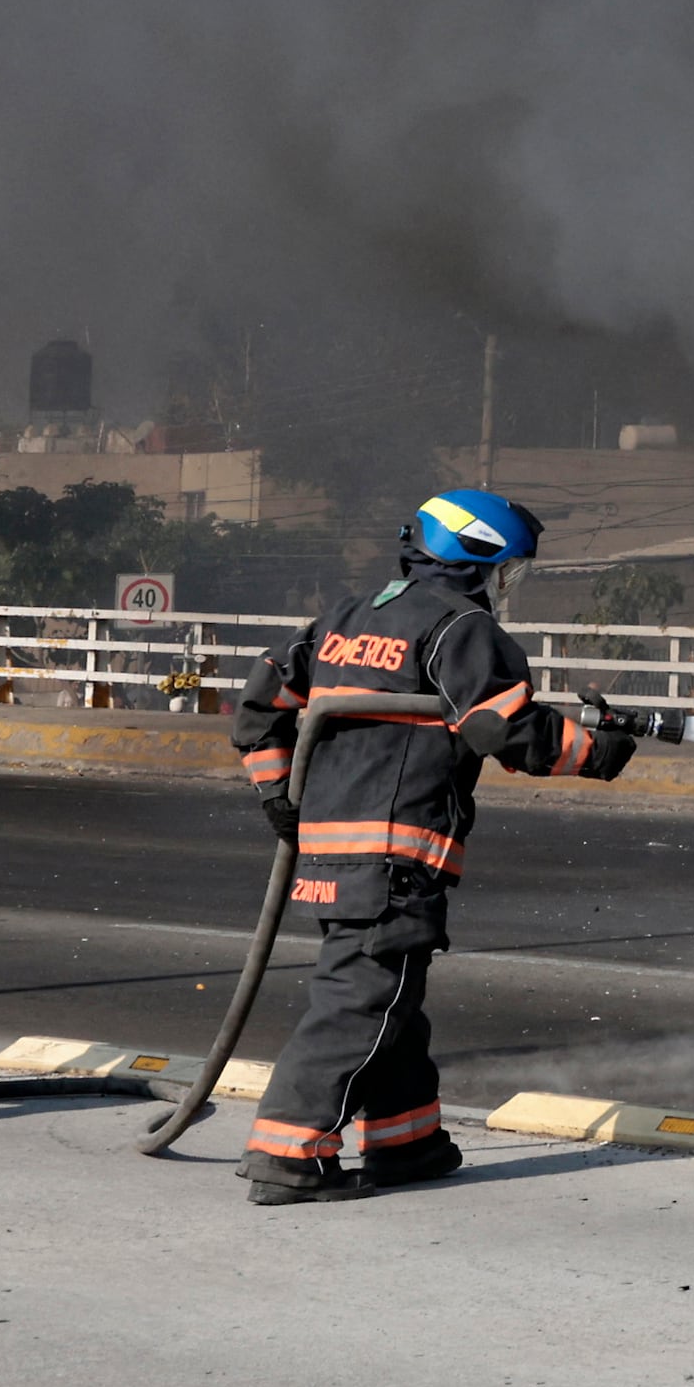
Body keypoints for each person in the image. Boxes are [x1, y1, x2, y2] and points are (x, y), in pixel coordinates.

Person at [225, 489, 637, 1203]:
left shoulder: (345, 618)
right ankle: (286, 1155)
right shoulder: (460, 626)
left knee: (392, 1005)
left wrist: (281, 800)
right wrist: (597, 750)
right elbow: (501, 727)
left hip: (330, 854)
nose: (506, 583)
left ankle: (406, 1143)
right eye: (507, 566)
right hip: (396, 855)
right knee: (359, 1004)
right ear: (475, 557)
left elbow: (258, 710)